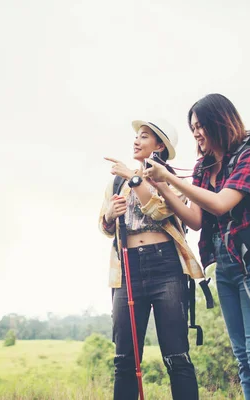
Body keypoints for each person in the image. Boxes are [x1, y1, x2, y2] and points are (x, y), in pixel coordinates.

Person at [143, 94, 250, 400]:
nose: (195, 133)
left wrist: (168, 177)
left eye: (200, 125)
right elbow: (196, 220)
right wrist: (162, 187)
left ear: (218, 122)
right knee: (244, 360)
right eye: (192, 127)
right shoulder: (204, 168)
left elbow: (221, 204)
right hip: (225, 266)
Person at [98, 118, 206, 400]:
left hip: (166, 266)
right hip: (127, 268)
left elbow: (161, 212)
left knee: (176, 356)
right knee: (124, 359)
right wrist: (111, 214)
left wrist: (136, 180)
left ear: (160, 145)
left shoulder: (171, 180)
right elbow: (104, 226)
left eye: (144, 137)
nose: (136, 141)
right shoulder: (118, 181)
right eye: (136, 136)